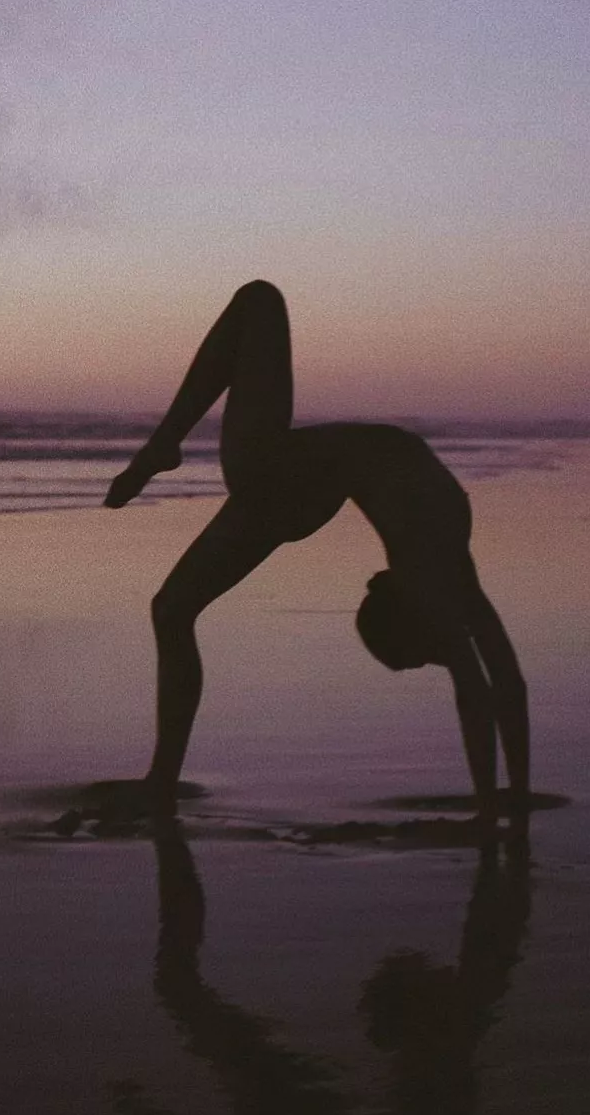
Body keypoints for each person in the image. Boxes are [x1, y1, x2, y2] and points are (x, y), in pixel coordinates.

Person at [104, 281, 528, 824]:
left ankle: (163, 443)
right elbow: (501, 680)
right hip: (293, 483)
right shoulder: (445, 568)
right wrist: (507, 801)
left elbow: (483, 685)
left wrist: (496, 811)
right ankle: (161, 780)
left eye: (427, 653)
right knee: (171, 609)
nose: (443, 652)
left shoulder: (432, 564)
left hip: (281, 477)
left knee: (260, 299)